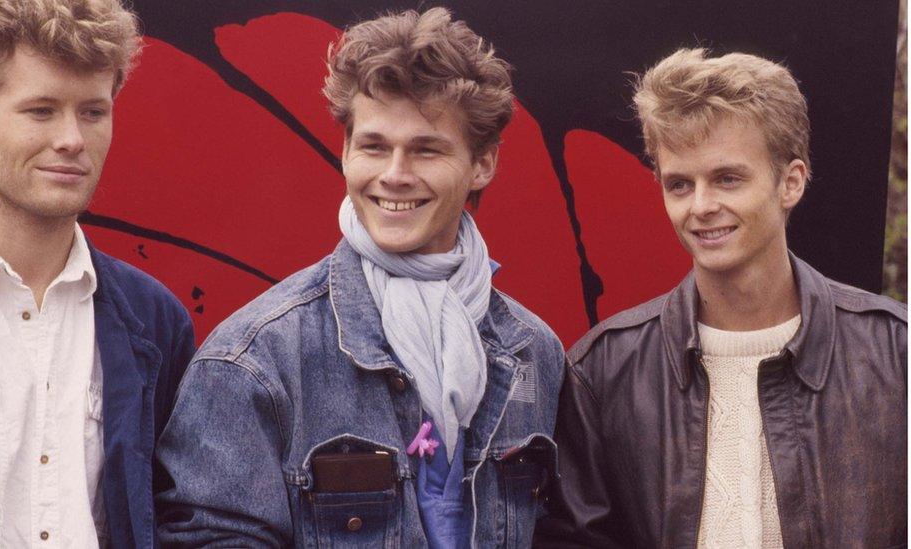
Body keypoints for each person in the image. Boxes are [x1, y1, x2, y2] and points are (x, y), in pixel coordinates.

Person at [156, 7, 564, 548]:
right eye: (374, 146)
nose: (394, 175)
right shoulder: (254, 361)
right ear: (347, 151)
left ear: (482, 164)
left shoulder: (535, 351)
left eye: (426, 149)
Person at [534, 47, 907, 548]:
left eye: (727, 178)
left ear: (790, 182)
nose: (702, 206)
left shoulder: (895, 354)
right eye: (680, 185)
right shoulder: (604, 372)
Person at [0, 0, 195, 546]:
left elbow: (179, 517)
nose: (72, 139)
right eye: (41, 110)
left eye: (93, 112)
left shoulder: (154, 320)